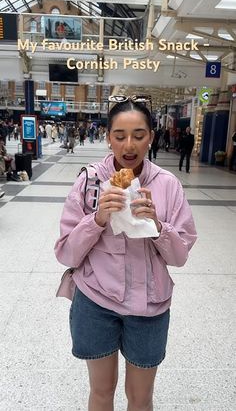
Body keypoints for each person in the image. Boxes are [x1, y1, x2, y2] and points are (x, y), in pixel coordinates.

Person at [54, 98, 197, 411]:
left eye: (138, 134)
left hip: (150, 306)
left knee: (140, 397)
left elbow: (180, 256)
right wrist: (98, 219)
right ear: (108, 137)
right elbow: (65, 252)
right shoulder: (90, 182)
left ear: (151, 137)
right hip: (96, 301)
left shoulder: (167, 185)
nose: (129, 145)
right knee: (101, 392)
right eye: (119, 136)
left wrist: (159, 226)